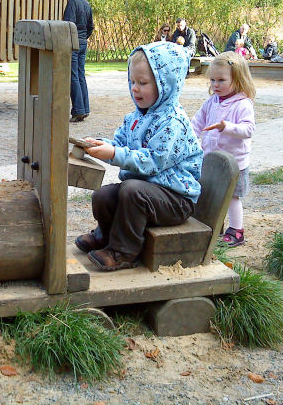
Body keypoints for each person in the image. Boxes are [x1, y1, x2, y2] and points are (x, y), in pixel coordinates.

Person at [74, 41, 203, 271]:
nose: (135, 88)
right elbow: (120, 144)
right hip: (145, 194)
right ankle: (105, 236)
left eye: (143, 83)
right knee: (103, 195)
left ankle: (123, 252)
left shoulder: (173, 122)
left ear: (166, 84)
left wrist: (115, 154)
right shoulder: (135, 117)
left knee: (131, 190)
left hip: (176, 199)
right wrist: (102, 145)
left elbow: (153, 161)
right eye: (132, 81)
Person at [191, 51, 255, 246]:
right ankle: (213, 225)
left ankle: (236, 230)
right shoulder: (211, 102)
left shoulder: (243, 104)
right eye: (212, 80)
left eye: (221, 80)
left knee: (232, 197)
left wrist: (226, 127)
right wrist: (190, 138)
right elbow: (197, 122)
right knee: (210, 193)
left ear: (237, 79)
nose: (215, 85)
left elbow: (248, 129)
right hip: (211, 160)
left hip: (235, 163)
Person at [63, 0, 94, 122]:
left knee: (73, 76)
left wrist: (71, 41)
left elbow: (68, 25)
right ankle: (85, 109)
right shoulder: (86, 4)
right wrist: (83, 38)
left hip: (73, 44)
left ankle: (78, 111)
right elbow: (90, 27)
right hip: (82, 43)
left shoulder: (72, 3)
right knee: (81, 75)